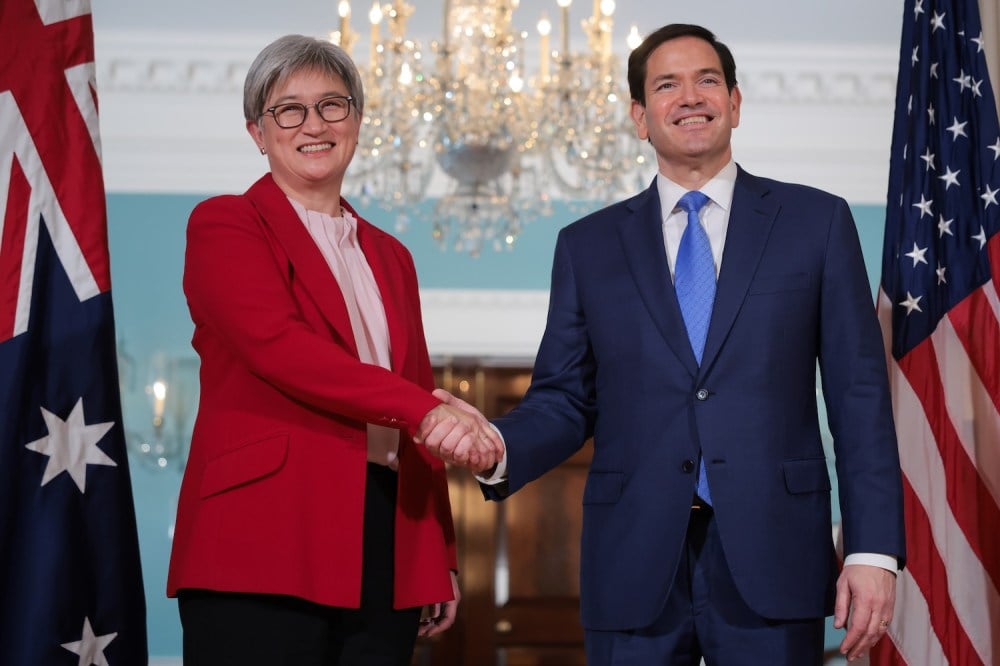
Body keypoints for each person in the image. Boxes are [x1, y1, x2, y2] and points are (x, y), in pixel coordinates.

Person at [419, 23, 905, 665]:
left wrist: (873, 550)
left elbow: (859, 397)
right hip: (632, 559)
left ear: (735, 102)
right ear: (640, 117)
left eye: (708, 80)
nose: (691, 97)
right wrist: (498, 446)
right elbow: (565, 399)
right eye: (667, 85)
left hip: (776, 552)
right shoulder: (587, 246)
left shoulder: (816, 224)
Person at [166, 34, 501, 666]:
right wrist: (428, 411)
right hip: (263, 532)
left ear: (357, 120)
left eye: (331, 105)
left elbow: (415, 398)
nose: (314, 125)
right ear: (258, 133)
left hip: (384, 535)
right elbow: (281, 348)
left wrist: (436, 556)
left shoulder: (393, 257)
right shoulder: (226, 223)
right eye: (288, 110)